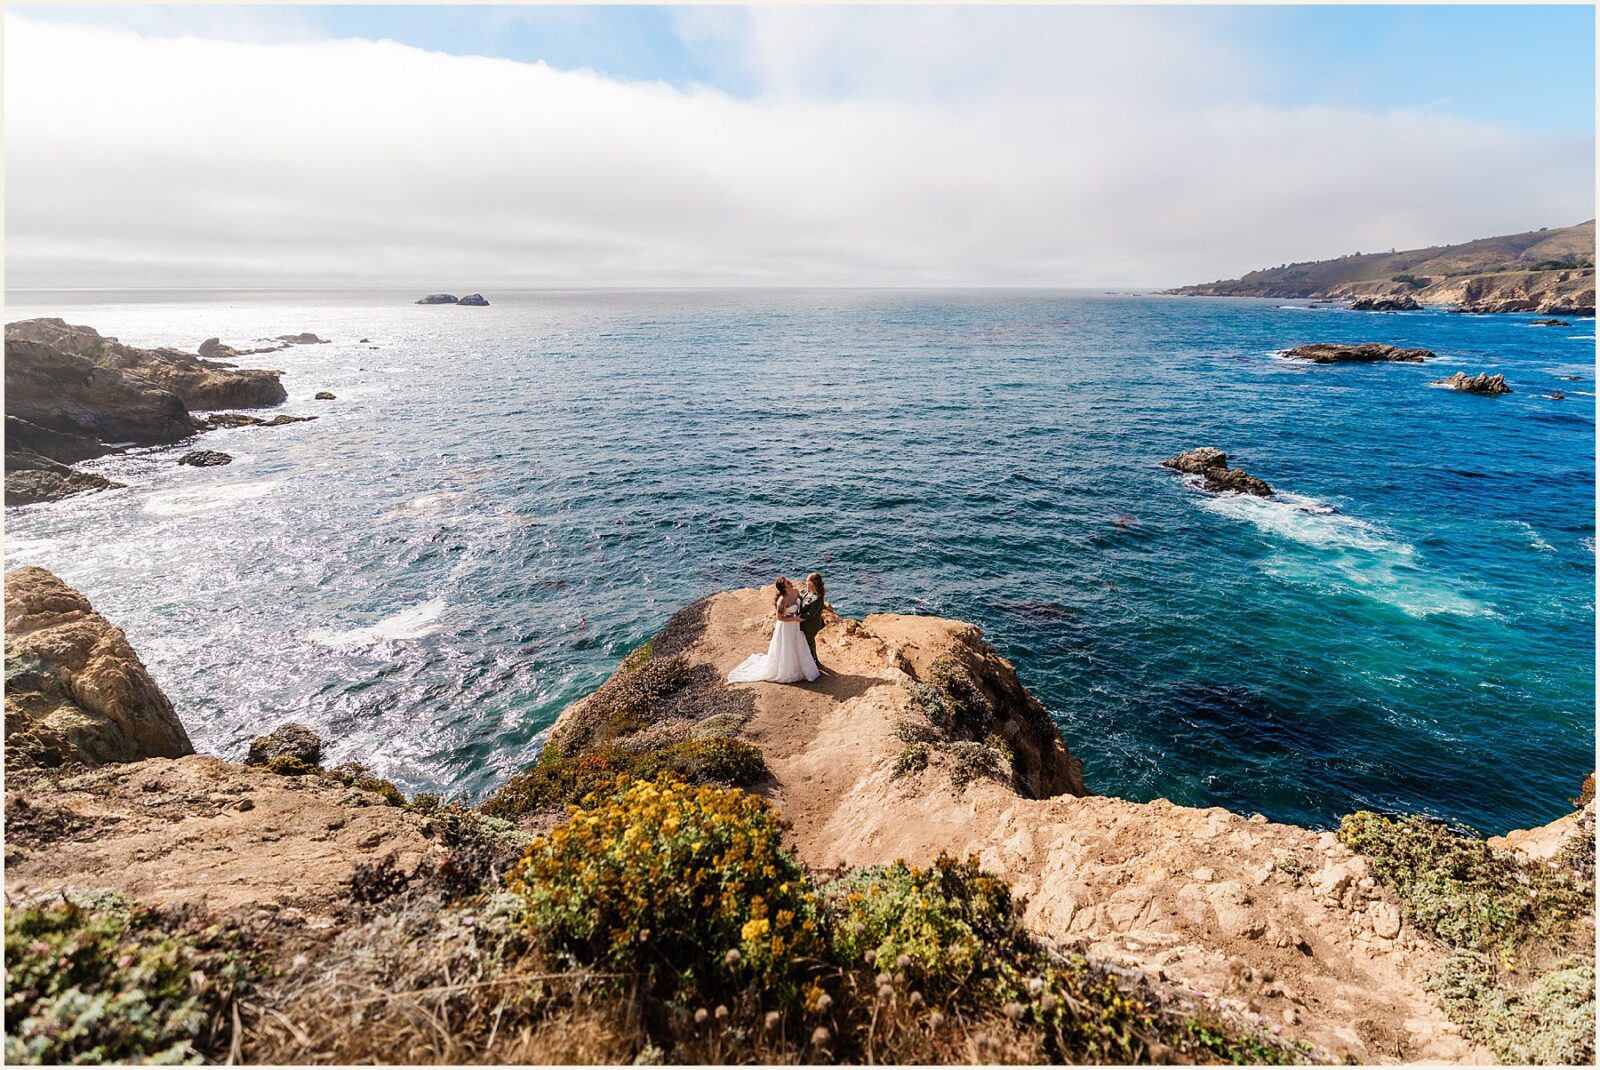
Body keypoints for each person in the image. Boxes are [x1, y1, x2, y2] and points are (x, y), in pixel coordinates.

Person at [727, 577, 820, 684]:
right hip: (786, 626)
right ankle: (789, 670)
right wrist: (794, 618)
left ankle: (803, 667)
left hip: (796, 625)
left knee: (799, 645)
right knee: (788, 647)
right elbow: (779, 617)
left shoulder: (795, 592)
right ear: (784, 588)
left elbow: (802, 605)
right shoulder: (782, 600)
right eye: (787, 583)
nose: (790, 582)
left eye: (788, 580)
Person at [798, 571, 826, 669]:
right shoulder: (807, 592)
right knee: (808, 642)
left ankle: (813, 663)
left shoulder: (817, 598)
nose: (805, 583)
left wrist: (797, 619)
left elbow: (811, 614)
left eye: (807, 581)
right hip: (804, 624)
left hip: (811, 625)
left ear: (812, 583)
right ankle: (812, 661)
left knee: (809, 643)